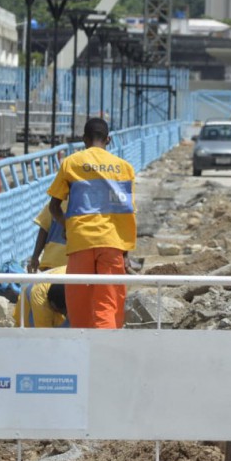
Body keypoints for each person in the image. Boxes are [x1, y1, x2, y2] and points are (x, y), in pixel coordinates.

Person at [46, 117, 136, 329]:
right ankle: (105, 354)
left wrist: (68, 226)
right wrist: (126, 254)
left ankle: (83, 351)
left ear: (84, 139)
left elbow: (53, 207)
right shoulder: (125, 168)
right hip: (112, 243)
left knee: (79, 304)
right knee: (108, 302)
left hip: (81, 241)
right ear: (109, 139)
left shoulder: (71, 163)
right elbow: (126, 212)